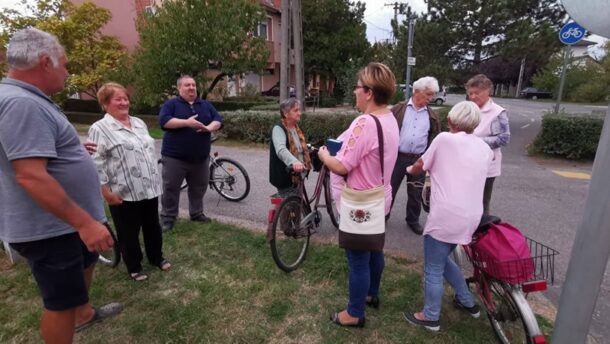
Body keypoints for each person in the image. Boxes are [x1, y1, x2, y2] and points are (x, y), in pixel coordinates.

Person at [0, 28, 121, 343]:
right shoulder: (21, 104)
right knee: (60, 303)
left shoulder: (24, 99)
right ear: (44, 62)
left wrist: (71, 150)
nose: (67, 72)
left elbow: (31, 155)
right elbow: (30, 175)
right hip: (51, 227)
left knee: (85, 264)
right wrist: (84, 223)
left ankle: (84, 314)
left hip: (65, 223)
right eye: (64, 65)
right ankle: (74, 314)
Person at [318, 62, 399, 328]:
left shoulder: (365, 122)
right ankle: (371, 294)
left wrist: (324, 156)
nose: (354, 91)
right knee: (374, 250)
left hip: (360, 204)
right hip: (381, 197)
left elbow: (342, 166)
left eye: (357, 86)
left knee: (358, 260)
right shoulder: (390, 118)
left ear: (369, 92)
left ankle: (354, 313)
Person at [403, 101, 493, 332]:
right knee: (443, 259)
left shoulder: (444, 139)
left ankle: (430, 316)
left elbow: (420, 164)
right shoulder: (484, 148)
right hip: (471, 216)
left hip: (446, 216)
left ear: (451, 121)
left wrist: (409, 170)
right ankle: (468, 302)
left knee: (433, 267)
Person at [89, 82, 170, 282]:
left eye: (126, 98)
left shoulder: (139, 123)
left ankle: (156, 257)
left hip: (149, 187)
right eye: (118, 99)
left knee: (153, 226)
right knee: (128, 232)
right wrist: (105, 191)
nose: (124, 102)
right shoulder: (100, 128)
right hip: (123, 192)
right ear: (105, 103)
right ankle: (134, 266)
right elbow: (96, 162)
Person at [159, 75, 223, 231]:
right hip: (175, 157)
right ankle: (168, 217)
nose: (191, 88)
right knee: (171, 188)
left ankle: (196, 213)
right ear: (179, 88)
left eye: (193, 85)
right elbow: (164, 121)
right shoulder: (171, 104)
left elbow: (218, 120)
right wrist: (187, 123)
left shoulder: (205, 105)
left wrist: (209, 128)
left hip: (200, 158)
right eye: (187, 85)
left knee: (199, 187)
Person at [389, 76, 441, 235]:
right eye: (428, 94)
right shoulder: (398, 109)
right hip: (397, 157)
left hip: (419, 159)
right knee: (389, 189)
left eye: (432, 95)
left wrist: (429, 159)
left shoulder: (432, 115)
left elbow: (435, 138)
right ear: (417, 91)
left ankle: (412, 220)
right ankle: (382, 215)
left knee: (415, 192)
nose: (431, 98)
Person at [466, 74, 510, 214]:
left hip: (487, 164)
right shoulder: (469, 108)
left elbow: (504, 138)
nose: (473, 96)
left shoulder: (498, 112)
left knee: (482, 201)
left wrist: (476, 141)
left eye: (477, 93)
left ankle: (482, 232)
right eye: (470, 93)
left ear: (488, 91)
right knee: (467, 198)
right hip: (467, 161)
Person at [269, 98, 311, 193]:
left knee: (295, 202)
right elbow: (281, 150)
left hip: (298, 175)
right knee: (290, 204)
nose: (299, 113)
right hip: (285, 177)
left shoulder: (295, 127)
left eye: (299, 110)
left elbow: (299, 146)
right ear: (286, 113)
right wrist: (294, 162)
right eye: (296, 110)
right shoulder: (278, 129)